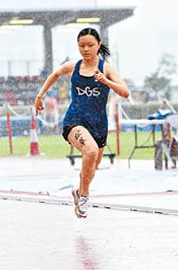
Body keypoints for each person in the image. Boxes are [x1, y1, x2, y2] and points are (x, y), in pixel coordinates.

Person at [34, 28, 130, 218]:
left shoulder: (106, 69)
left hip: (99, 124)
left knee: (92, 166)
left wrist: (106, 81)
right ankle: (85, 196)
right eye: (81, 45)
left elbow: (125, 92)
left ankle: (79, 192)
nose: (85, 49)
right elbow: (55, 74)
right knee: (90, 151)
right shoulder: (73, 67)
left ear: (98, 45)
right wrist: (40, 96)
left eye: (90, 45)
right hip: (75, 120)